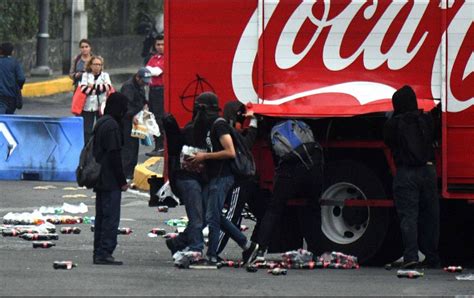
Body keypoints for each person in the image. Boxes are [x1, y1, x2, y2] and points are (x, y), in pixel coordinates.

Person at [188, 92, 258, 265]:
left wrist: (204, 157)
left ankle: (212, 255)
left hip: (222, 176)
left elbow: (230, 151)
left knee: (212, 216)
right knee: (215, 215)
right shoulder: (209, 125)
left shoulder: (219, 125)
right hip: (214, 176)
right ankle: (246, 245)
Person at [383, 85, 440, 269]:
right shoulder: (426, 119)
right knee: (430, 215)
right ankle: (431, 255)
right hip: (428, 170)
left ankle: (411, 255)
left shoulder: (394, 123)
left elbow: (388, 140)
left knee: (409, 216)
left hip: (406, 172)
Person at [252, 119, 323, 263]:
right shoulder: (302, 124)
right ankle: (317, 252)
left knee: (273, 210)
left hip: (289, 173)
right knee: (313, 208)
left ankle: (260, 251)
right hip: (312, 169)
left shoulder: (274, 129)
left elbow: (276, 158)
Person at [92, 92, 129, 265]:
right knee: (110, 217)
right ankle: (105, 251)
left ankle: (98, 251)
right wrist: (122, 181)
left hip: (100, 178)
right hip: (110, 179)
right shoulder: (113, 126)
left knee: (101, 217)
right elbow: (115, 156)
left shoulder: (102, 122)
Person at [120, 67, 151, 180]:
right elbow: (126, 105)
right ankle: (125, 173)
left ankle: (130, 172)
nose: (145, 84)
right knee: (128, 147)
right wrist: (132, 115)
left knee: (134, 147)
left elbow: (142, 100)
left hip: (137, 118)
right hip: (127, 120)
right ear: (138, 78)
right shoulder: (128, 87)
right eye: (143, 81)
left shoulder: (141, 86)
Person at [79, 55, 113, 144]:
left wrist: (93, 87)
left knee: (101, 128)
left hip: (101, 106)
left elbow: (108, 87)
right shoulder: (85, 75)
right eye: (95, 64)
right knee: (87, 130)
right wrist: (99, 90)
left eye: (99, 64)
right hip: (88, 106)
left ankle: (101, 146)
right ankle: (86, 147)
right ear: (90, 65)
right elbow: (83, 89)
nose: (97, 66)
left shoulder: (105, 75)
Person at [145, 34, 165, 157]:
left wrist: (149, 70)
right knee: (152, 118)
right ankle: (157, 145)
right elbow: (146, 71)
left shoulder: (166, 58)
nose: (160, 47)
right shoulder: (154, 58)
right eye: (158, 44)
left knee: (159, 117)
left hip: (161, 90)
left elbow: (156, 72)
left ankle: (162, 145)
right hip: (152, 89)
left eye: (162, 44)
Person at [0, 42, 25, 115]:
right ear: (12, 52)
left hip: (1, 96)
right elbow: (21, 78)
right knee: (9, 116)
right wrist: (18, 87)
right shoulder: (15, 63)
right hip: (12, 96)